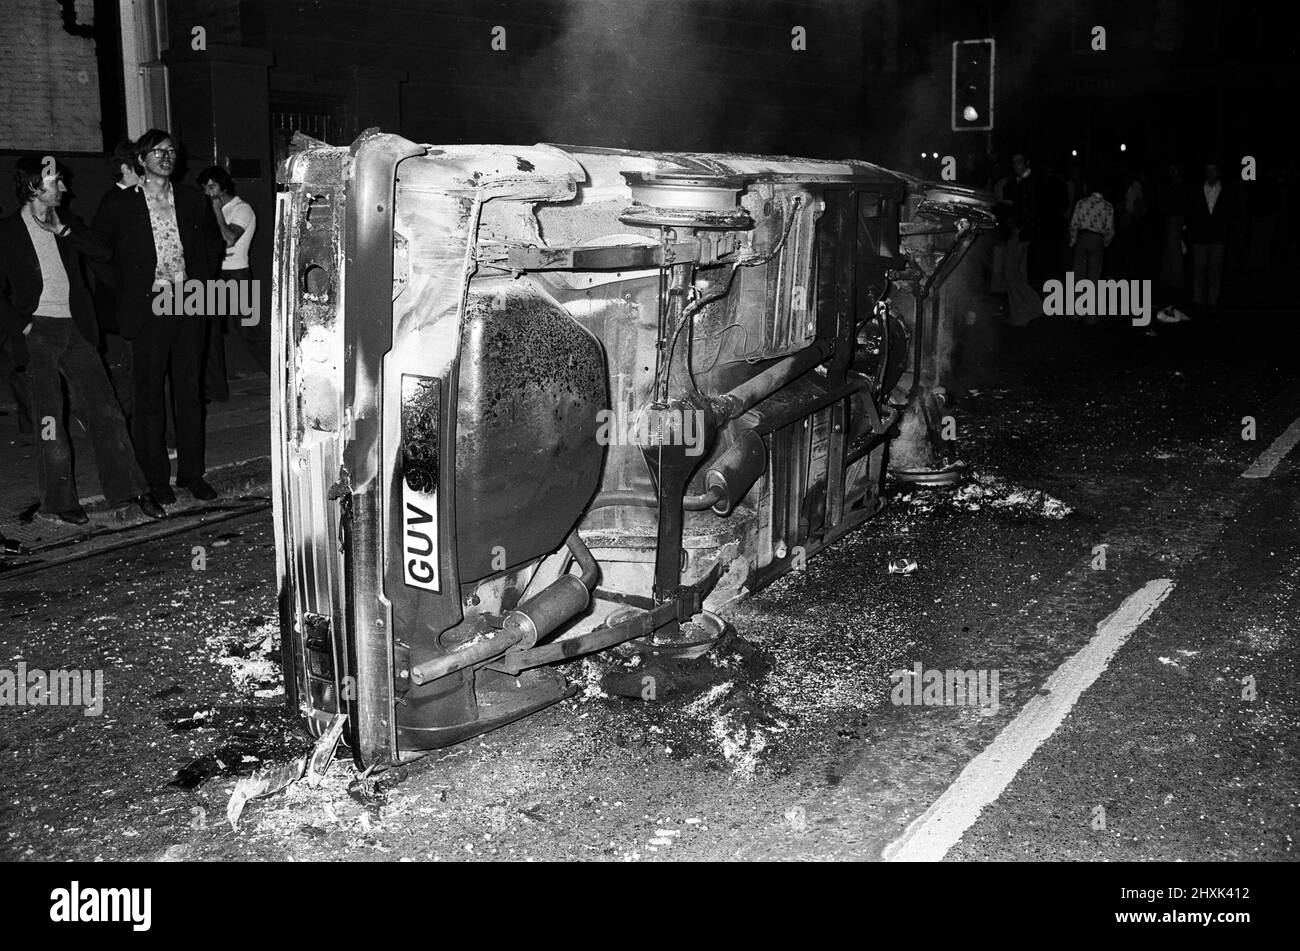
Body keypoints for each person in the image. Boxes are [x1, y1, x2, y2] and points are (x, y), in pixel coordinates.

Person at [0, 156, 164, 524]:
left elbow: (104, 253)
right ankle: (59, 501)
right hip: (38, 329)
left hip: (75, 328)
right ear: (33, 188)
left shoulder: (67, 223)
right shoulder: (7, 231)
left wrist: (64, 232)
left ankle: (130, 491)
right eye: (56, 182)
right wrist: (22, 326)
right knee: (50, 419)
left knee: (106, 411)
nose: (63, 188)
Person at [92, 129, 224, 505]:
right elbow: (99, 252)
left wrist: (204, 280)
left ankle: (192, 474)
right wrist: (127, 292)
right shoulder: (120, 203)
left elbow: (212, 243)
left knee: (189, 391)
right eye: (157, 152)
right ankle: (155, 480)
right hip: (150, 306)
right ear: (141, 160)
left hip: (188, 302)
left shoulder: (190, 198)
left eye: (170, 151)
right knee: (149, 395)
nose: (165, 157)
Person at [196, 165, 262, 394]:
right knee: (209, 331)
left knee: (248, 331)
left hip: (237, 274)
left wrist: (215, 211)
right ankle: (215, 389)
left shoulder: (242, 209)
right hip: (215, 274)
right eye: (204, 188)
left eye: (212, 186)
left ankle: (281, 379)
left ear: (223, 186)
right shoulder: (211, 208)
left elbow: (229, 239)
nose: (208, 192)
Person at [92, 139, 144, 420]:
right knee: (140, 365)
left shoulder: (139, 196)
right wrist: (122, 287)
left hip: (144, 298)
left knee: (141, 364)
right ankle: (107, 418)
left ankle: (104, 415)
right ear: (125, 167)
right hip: (127, 301)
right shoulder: (113, 202)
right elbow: (97, 253)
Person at [1187, 160, 1232, 309]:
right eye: (1208, 170)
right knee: (1199, 270)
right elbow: (1192, 212)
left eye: (1213, 170)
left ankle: (1213, 302)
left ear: (1219, 172)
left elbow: (1231, 214)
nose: (1210, 173)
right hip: (1200, 236)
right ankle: (1198, 301)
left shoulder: (1226, 190)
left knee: (1215, 270)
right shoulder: (1197, 189)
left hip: (1219, 237)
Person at [1068, 184, 1115, 282]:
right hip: (1097, 239)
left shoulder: (1081, 203)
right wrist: (1106, 242)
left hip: (1082, 237)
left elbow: (1074, 223)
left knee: (1078, 270)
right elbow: (1109, 229)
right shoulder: (1108, 206)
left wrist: (1073, 239)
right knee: (1094, 272)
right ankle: (1091, 294)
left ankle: (1077, 295)